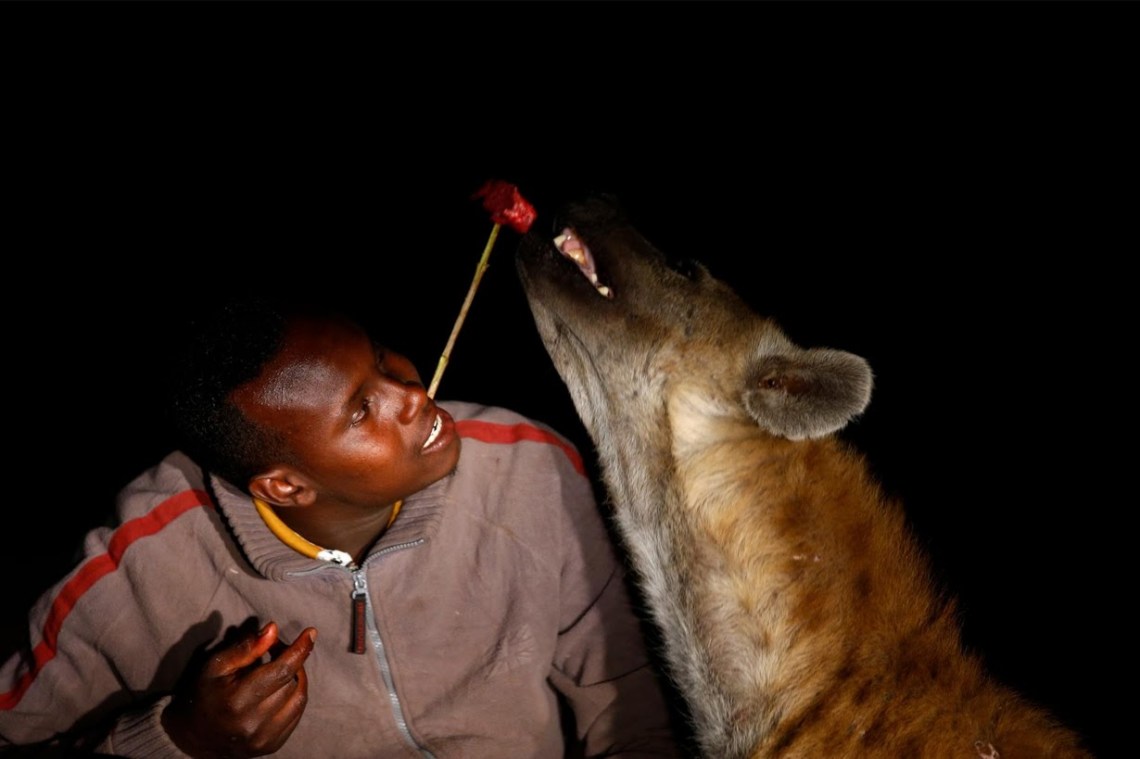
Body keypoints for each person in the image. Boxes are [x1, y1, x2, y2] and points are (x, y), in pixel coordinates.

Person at [0, 295, 684, 757]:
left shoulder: (527, 464)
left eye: (383, 360)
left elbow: (627, 685)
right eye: (362, 410)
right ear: (287, 486)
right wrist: (180, 736)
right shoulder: (137, 567)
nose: (413, 395)